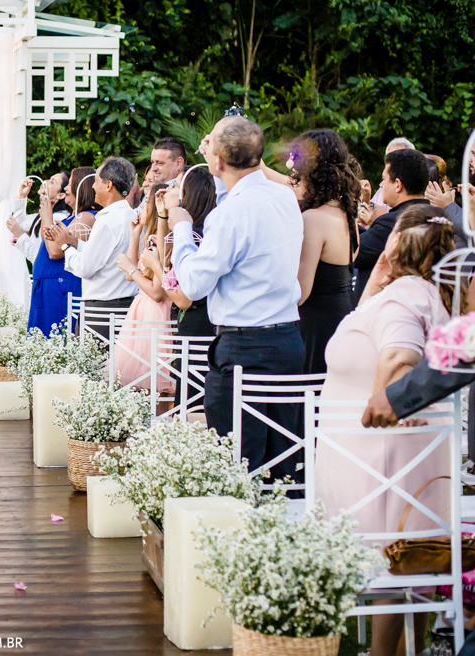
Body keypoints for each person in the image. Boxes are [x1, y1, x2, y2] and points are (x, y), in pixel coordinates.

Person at [315, 206, 454, 656]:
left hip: (381, 466)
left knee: (391, 569)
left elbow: (400, 354)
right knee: (398, 570)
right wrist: (375, 283)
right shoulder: (404, 293)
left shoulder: (408, 296)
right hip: (379, 464)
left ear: (400, 243)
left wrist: (387, 396)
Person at [167, 112, 304, 481]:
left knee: (237, 463)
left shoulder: (227, 217)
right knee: (283, 462)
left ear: (218, 160)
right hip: (289, 342)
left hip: (246, 349)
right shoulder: (284, 198)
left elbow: (193, 285)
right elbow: (239, 204)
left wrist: (181, 229)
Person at [287, 129, 361, 372]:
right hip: (341, 322)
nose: (291, 169)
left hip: (316, 330)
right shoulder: (345, 212)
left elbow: (300, 292)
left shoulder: (313, 219)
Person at [46, 157, 139, 338]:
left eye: (96, 181)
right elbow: (104, 253)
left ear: (108, 185)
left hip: (103, 311)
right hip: (125, 306)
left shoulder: (108, 221)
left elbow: (85, 268)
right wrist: (73, 240)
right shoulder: (129, 214)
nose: (93, 187)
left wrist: (65, 246)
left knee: (96, 366)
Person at [112, 190, 174, 394]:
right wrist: (135, 234)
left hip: (155, 316)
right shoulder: (151, 238)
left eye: (146, 202)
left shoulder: (162, 242)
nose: (140, 207)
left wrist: (131, 269)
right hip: (141, 313)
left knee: (155, 385)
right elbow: (132, 275)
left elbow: (158, 293)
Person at [22, 167, 96, 336]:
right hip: (49, 284)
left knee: (54, 338)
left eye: (70, 185)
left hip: (60, 287)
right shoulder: (73, 216)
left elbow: (55, 251)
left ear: (81, 188)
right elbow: (45, 241)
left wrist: (47, 217)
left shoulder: (86, 217)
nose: (66, 189)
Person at [354, 148, 431, 301]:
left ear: (397, 184)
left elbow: (354, 252)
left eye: (384, 179)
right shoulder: (437, 214)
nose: (381, 185)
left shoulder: (395, 221)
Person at [153, 167, 217, 337]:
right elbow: (163, 258)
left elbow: (183, 299)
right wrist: (162, 215)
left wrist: (154, 267)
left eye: (174, 186)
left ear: (188, 194)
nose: (165, 190)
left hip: (196, 330)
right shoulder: (196, 230)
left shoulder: (194, 236)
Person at [6, 172, 70, 266]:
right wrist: (22, 196)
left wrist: (21, 235)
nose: (45, 181)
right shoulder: (43, 215)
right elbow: (18, 224)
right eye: (49, 179)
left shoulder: (59, 219)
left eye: (52, 182)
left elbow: (44, 258)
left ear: (61, 195)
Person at [368, 136, 414, 209]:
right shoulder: (383, 188)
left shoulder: (416, 190)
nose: (395, 163)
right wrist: (365, 198)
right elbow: (369, 210)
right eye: (391, 159)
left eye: (400, 159)